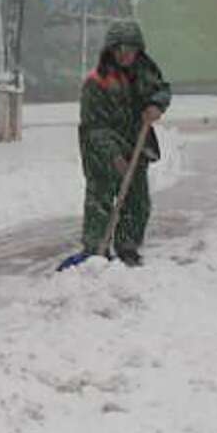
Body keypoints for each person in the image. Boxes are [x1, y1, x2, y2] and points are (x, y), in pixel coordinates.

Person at [76, 19, 171, 267]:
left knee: (136, 200)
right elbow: (94, 127)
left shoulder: (145, 72)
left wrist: (156, 105)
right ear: (111, 51)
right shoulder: (97, 82)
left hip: (135, 143)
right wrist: (114, 156)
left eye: (131, 49)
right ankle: (96, 248)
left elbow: (161, 89)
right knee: (101, 197)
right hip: (101, 149)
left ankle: (128, 246)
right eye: (120, 49)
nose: (126, 54)